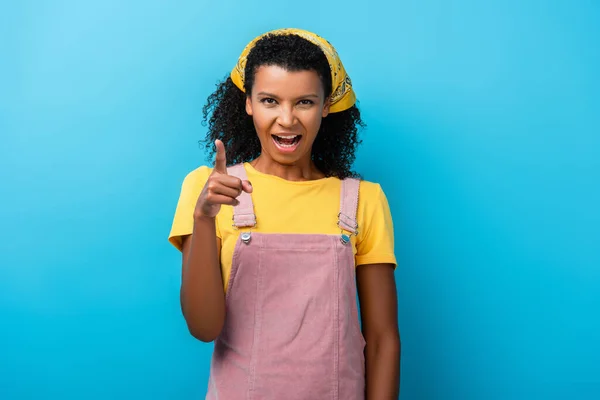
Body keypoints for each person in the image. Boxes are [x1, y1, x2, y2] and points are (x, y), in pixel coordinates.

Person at [168, 28, 400, 399]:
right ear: (248, 103)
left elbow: (382, 338)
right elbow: (203, 327)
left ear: (326, 106)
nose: (287, 119)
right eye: (270, 101)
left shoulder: (362, 200)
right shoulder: (210, 188)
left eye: (305, 102)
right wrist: (203, 218)